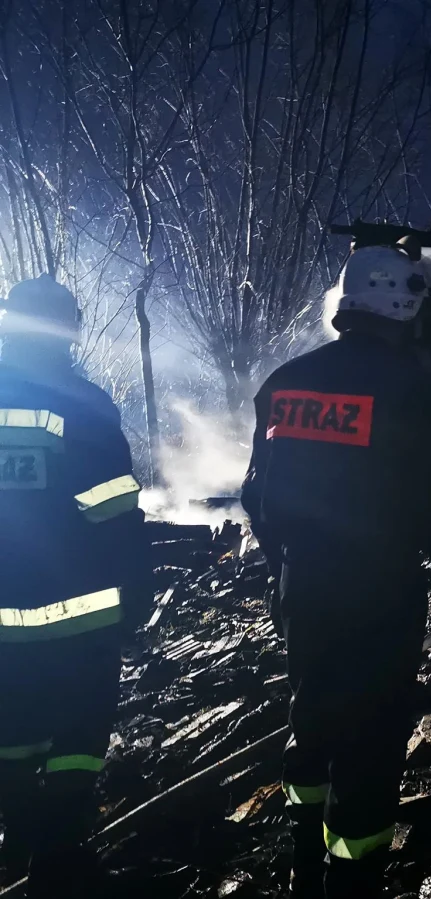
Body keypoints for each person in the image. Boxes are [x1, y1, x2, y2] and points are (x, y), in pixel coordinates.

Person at [241, 239, 431, 899]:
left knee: (312, 720)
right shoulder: (411, 387)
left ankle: (304, 861)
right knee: (371, 745)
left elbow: (256, 498)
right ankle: (351, 880)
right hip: (381, 594)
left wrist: (284, 569)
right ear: (399, 300)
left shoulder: (284, 383)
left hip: (304, 586)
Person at [0, 274, 152, 897]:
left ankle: (21, 834)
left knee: (11, 732)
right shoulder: (80, 402)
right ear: (69, 330)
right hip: (76, 611)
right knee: (78, 733)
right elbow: (110, 508)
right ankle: (60, 853)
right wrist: (135, 590)